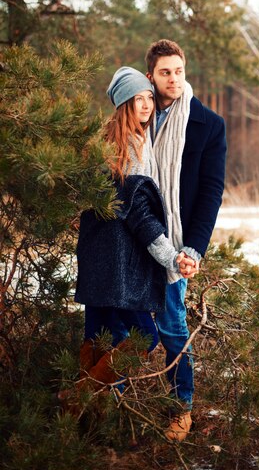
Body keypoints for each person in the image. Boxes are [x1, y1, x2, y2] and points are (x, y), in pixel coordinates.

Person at [74, 67, 196, 388]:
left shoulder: (104, 141)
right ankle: (81, 396)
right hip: (118, 265)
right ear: (123, 103)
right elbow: (140, 214)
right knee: (145, 336)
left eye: (148, 98)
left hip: (97, 261)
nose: (145, 105)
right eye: (136, 99)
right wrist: (170, 257)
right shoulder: (133, 147)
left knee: (100, 338)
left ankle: (88, 420)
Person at [145, 39, 227, 442]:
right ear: (152, 76)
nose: (173, 79)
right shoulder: (138, 116)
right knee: (132, 326)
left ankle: (182, 408)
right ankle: (121, 398)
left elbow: (211, 191)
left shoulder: (208, 124)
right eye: (165, 72)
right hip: (136, 238)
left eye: (178, 70)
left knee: (174, 327)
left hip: (176, 246)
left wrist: (193, 249)